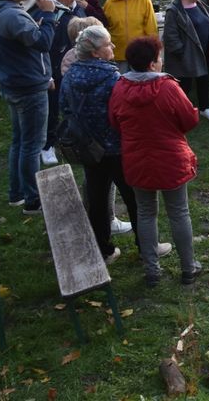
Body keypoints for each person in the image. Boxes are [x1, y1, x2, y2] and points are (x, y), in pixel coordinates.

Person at [109, 37, 202, 287]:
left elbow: (115, 122)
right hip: (171, 158)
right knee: (179, 212)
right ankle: (188, 267)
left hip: (137, 159)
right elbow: (189, 120)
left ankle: (152, 270)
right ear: (152, 64)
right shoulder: (168, 88)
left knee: (146, 212)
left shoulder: (120, 88)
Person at [0, 0, 57, 214]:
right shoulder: (12, 15)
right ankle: (33, 200)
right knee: (33, 144)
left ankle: (16, 193)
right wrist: (50, 17)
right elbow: (43, 43)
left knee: (20, 141)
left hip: (13, 82)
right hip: (28, 86)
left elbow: (21, 43)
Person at [60, 25, 139, 265]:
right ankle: (147, 247)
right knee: (134, 197)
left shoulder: (71, 75)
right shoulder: (112, 78)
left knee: (97, 198)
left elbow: (64, 107)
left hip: (88, 148)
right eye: (108, 44)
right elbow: (124, 112)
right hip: (115, 147)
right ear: (95, 52)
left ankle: (104, 250)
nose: (113, 47)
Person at [43, 0, 88, 166]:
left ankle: (73, 138)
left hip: (77, 65)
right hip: (54, 67)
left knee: (75, 104)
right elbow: (40, 44)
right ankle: (47, 146)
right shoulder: (47, 10)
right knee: (52, 107)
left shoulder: (77, 7)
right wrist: (46, 74)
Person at [162, 0, 209, 120]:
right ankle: (178, 111)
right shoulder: (174, 11)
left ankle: (205, 108)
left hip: (203, 52)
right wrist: (181, 52)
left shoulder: (201, 6)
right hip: (185, 55)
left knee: (203, 80)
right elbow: (170, 36)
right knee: (184, 85)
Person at [103, 0, 158, 71]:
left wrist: (154, 51)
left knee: (141, 82)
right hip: (118, 54)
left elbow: (151, 27)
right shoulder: (109, 3)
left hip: (139, 53)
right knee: (121, 82)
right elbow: (106, 28)